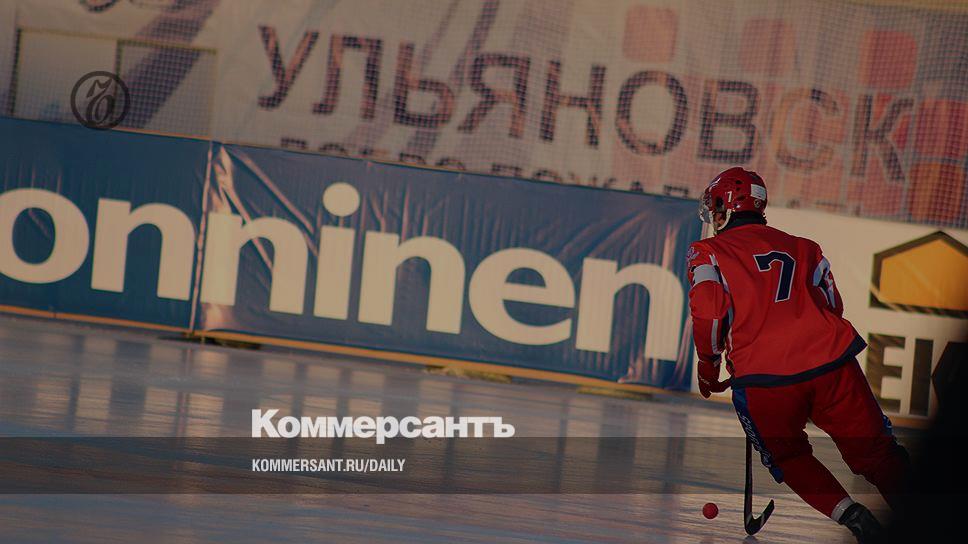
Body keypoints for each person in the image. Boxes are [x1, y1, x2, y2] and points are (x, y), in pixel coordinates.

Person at [686, 167, 910, 543]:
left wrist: (709, 364)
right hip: (832, 363)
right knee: (878, 453)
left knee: (788, 456)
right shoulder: (806, 247)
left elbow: (709, 313)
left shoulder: (706, 251)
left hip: (765, 379)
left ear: (727, 206)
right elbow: (832, 305)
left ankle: (855, 518)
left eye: (715, 207)